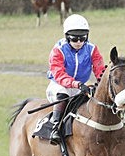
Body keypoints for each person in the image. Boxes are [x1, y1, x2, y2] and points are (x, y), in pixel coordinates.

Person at [45, 14, 106, 145]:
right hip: (59, 85)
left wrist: (102, 83)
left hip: (80, 87)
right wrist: (75, 84)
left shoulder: (92, 49)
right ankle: (55, 127)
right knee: (63, 93)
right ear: (67, 37)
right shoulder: (58, 50)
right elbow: (59, 74)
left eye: (82, 38)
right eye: (74, 38)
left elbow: (100, 69)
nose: (79, 42)